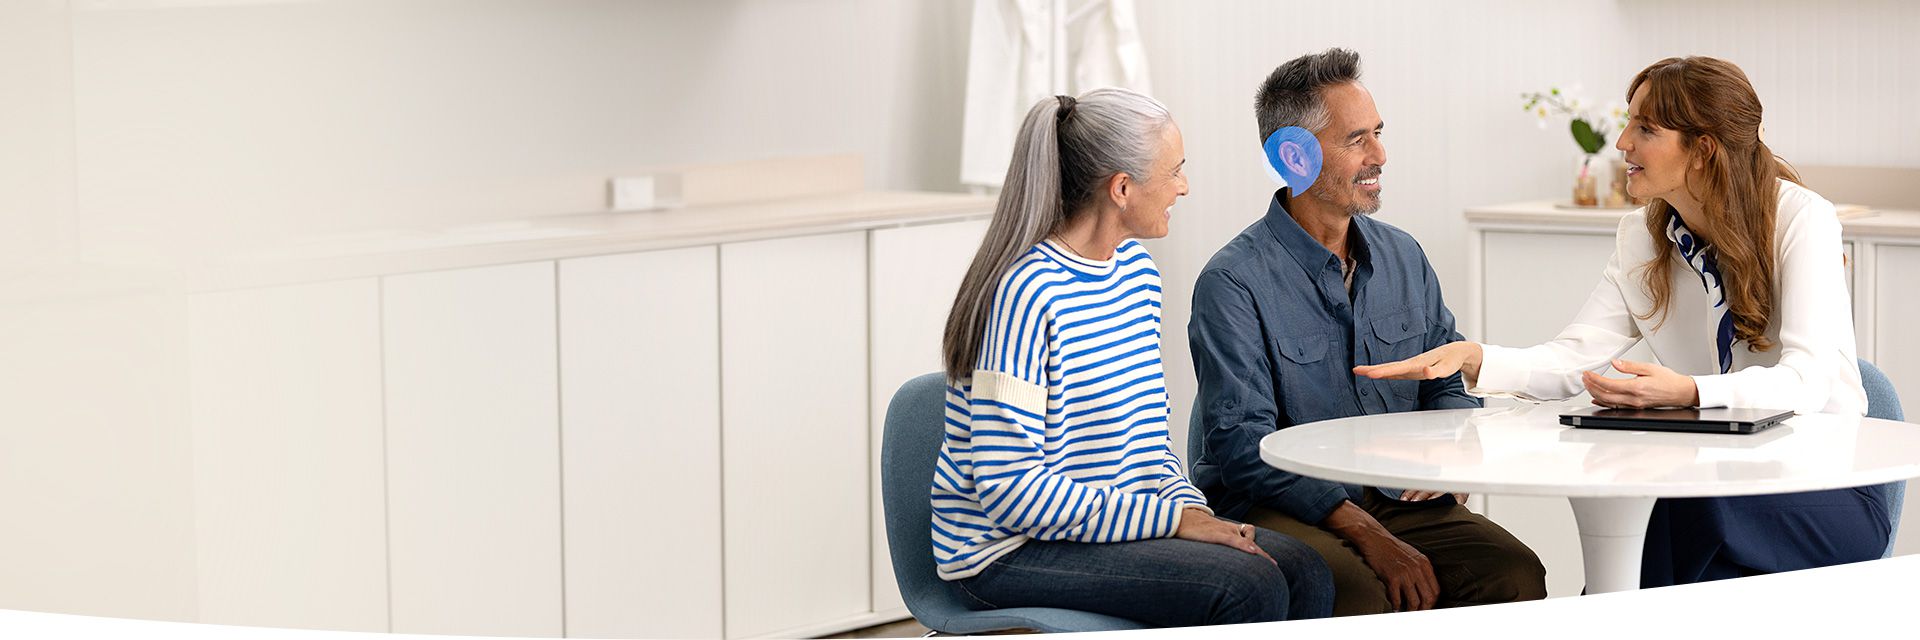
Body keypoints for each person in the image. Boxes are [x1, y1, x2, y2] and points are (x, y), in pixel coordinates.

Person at [1356, 56, 1890, 587]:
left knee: (1675, 508)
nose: (1622, 143)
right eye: (1627, 122)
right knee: (1672, 520)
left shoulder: (1801, 220)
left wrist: (1689, 393)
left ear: (1702, 149)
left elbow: (1810, 379)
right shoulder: (1642, 235)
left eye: (1645, 128)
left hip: (1824, 486)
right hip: (1715, 480)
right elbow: (1577, 358)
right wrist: (1478, 359)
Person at [932, 87, 1333, 626]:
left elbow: (1147, 441)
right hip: (1008, 551)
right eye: (1175, 172)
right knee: (1248, 586)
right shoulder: (1028, 293)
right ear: (1122, 188)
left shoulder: (1137, 274)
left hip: (1109, 527)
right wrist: (1172, 522)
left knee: (1306, 569)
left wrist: (1189, 508)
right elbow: (1010, 492)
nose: (1184, 187)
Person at [1187, 48, 1547, 616]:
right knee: (1359, 592)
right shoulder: (1232, 282)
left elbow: (1444, 382)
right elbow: (1242, 449)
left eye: (1378, 133)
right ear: (1293, 157)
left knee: (1513, 573)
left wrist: (1451, 469)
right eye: (1356, 140)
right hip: (1277, 501)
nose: (1380, 154)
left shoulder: (1404, 256)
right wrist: (1369, 535)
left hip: (1394, 495)